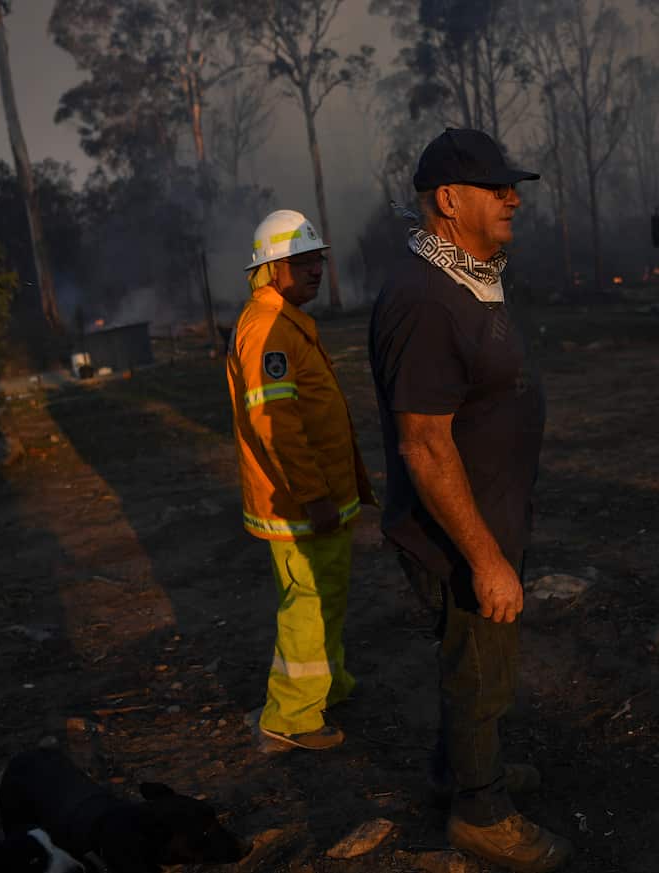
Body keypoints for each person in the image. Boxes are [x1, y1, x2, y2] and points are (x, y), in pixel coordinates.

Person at [369, 129, 572, 872]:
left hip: (490, 515)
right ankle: (481, 811)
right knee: (482, 666)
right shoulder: (425, 300)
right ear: (450, 200)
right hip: (456, 535)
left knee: (479, 660)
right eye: (498, 187)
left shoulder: (469, 277)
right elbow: (424, 444)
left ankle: (456, 768)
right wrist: (486, 559)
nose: (514, 197)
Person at [226, 208, 376, 751]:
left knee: (326, 595)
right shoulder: (266, 329)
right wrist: (313, 495)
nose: (316, 270)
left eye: (318, 259)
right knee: (307, 604)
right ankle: (290, 716)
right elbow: (275, 425)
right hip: (300, 504)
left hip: (321, 498)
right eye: (302, 261)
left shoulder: (284, 321)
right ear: (270, 270)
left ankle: (325, 686)